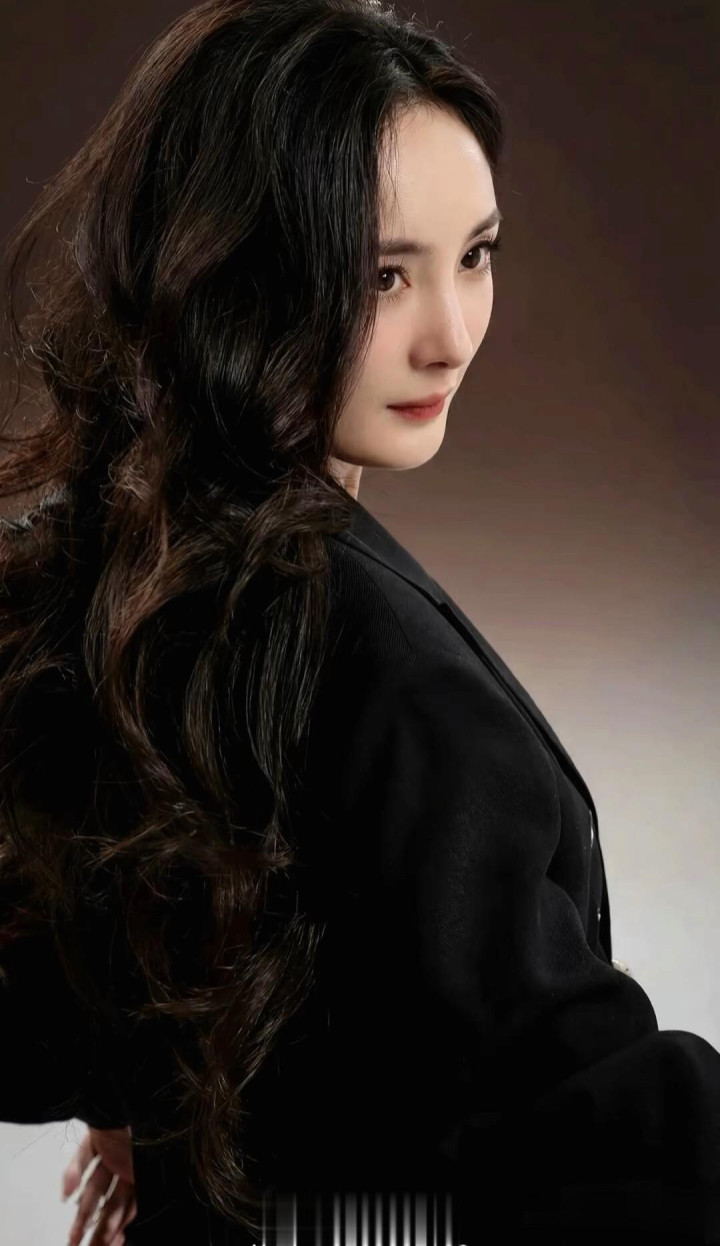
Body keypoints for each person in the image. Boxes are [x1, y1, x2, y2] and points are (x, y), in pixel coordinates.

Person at [1, 1, 719, 1243]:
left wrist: (153, 1105)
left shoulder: (137, 575)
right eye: (384, 274)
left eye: (477, 255)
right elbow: (584, 1125)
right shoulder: (393, 686)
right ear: (237, 271)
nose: (452, 335)